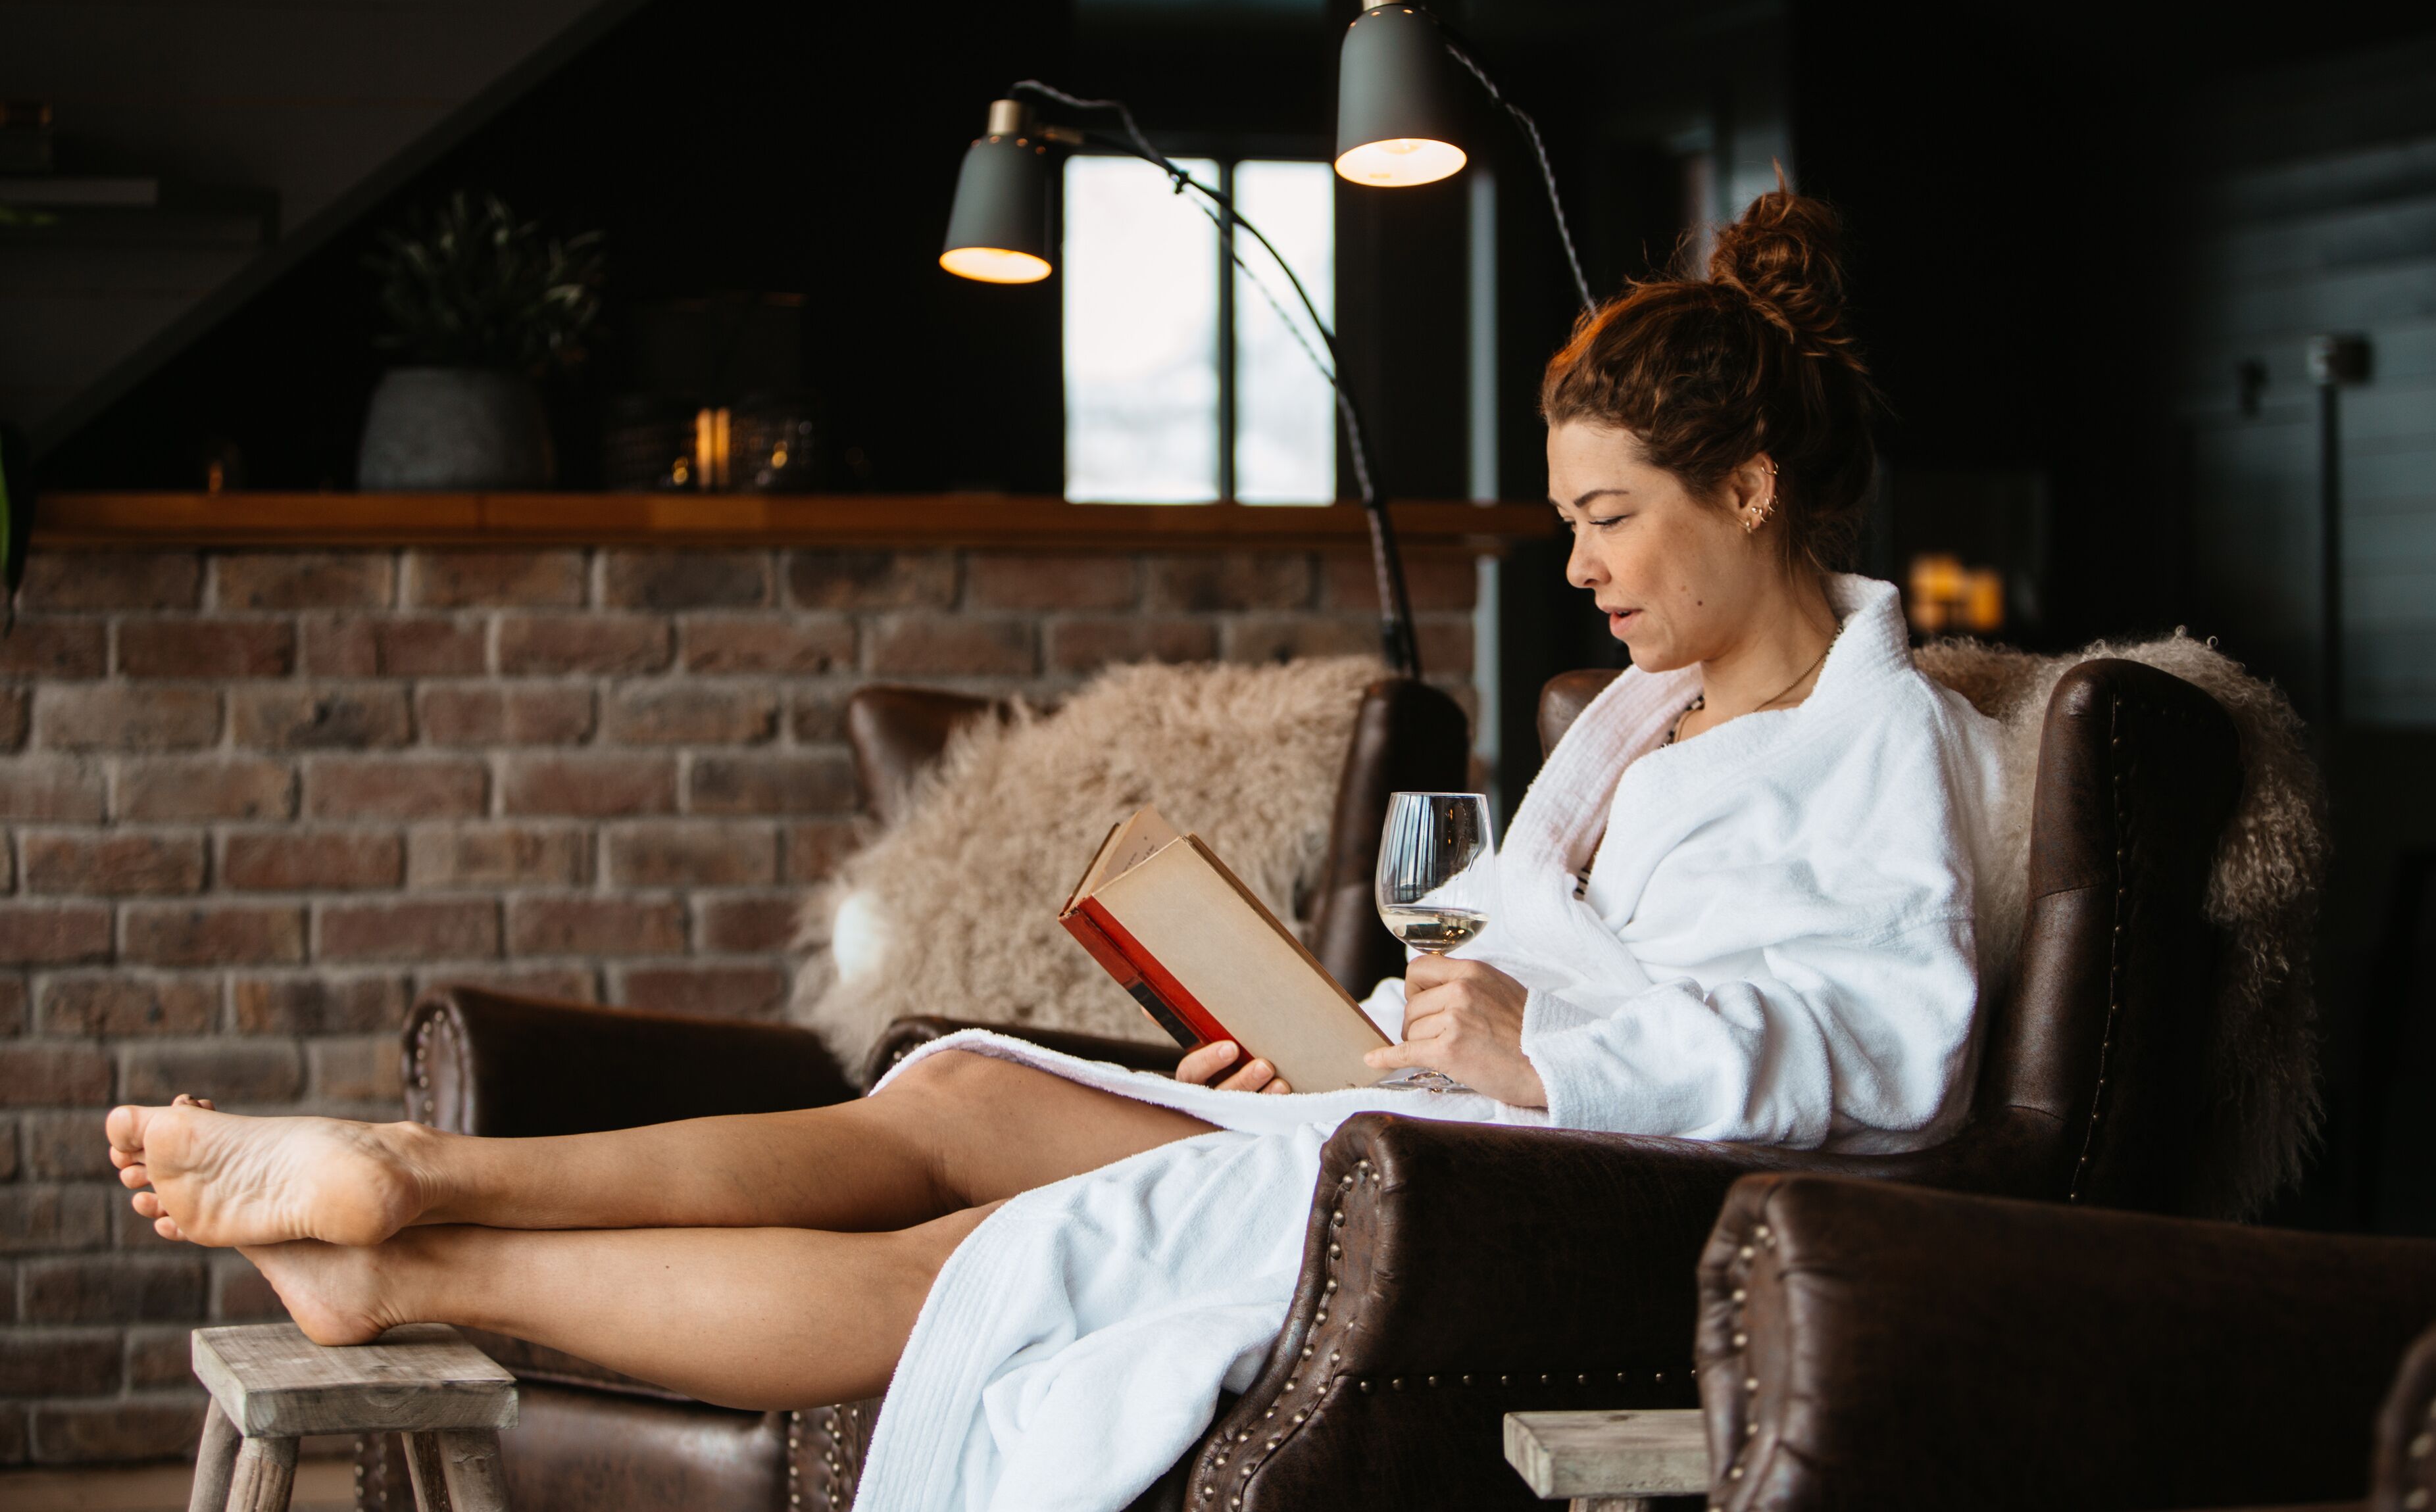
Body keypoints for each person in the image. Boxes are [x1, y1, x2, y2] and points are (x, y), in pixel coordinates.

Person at [105, 187, 2010, 1511]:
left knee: (992, 1265)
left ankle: (416, 1269)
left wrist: (1540, 1051)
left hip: (1572, 1203)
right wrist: (1353, 1038)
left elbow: (1890, 1040)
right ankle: (420, 1169)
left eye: (1609, 518)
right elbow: (1509, 986)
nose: (1576, 566)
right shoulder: (1637, 728)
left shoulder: (1882, 739)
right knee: (956, 1091)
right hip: (1444, 1134)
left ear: (1749, 489)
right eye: (1570, 520)